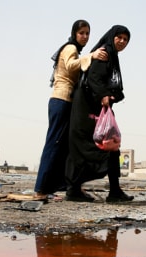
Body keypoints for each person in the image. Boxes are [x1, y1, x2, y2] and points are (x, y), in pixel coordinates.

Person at [33, 20, 107, 201]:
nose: (85, 36)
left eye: (87, 33)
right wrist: (92, 56)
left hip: (66, 102)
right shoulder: (70, 49)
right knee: (53, 144)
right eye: (82, 33)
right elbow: (71, 66)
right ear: (74, 34)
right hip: (61, 100)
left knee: (62, 147)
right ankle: (41, 189)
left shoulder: (74, 50)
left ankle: (51, 187)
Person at [65, 25, 133, 203]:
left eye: (126, 39)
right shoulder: (105, 53)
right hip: (87, 110)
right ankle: (77, 190)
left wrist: (109, 95)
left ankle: (113, 191)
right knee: (92, 147)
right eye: (119, 37)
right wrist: (104, 95)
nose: (122, 41)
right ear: (112, 37)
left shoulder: (111, 55)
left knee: (109, 146)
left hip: (94, 109)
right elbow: (94, 77)